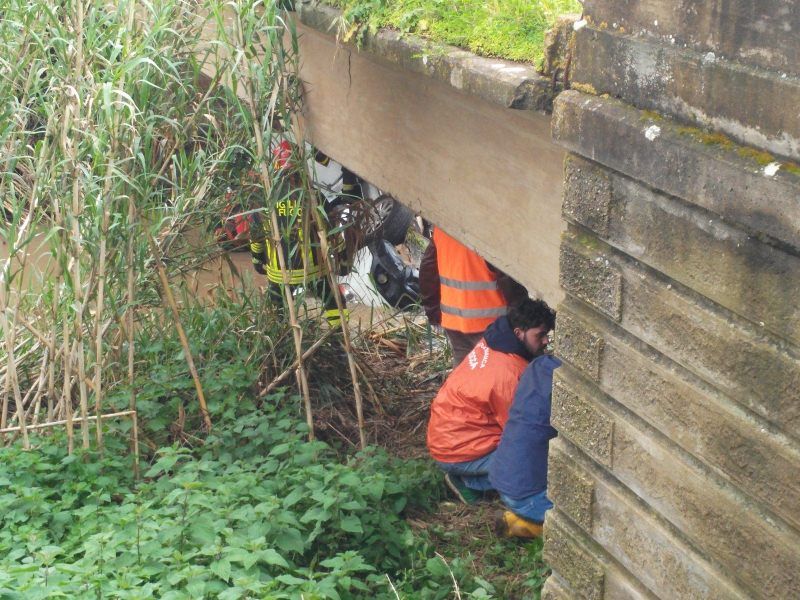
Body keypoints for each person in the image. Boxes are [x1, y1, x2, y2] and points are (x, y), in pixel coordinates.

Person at [426, 298, 556, 503]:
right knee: (536, 465)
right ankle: (470, 483)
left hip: (445, 439)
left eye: (547, 335)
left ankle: (469, 475)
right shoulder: (511, 374)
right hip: (459, 450)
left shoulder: (492, 342)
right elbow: (521, 433)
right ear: (519, 333)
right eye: (540, 335)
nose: (546, 341)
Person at [249, 141, 356, 326]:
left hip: (280, 272)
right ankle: (339, 339)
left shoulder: (264, 200)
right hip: (315, 270)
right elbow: (332, 232)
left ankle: (282, 341)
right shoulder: (313, 197)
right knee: (334, 302)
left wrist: (257, 260)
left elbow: (256, 235)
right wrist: (343, 260)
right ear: (300, 166)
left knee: (277, 308)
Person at [419, 226, 528, 367]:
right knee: (495, 374)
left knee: (464, 373)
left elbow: (428, 272)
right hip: (491, 324)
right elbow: (508, 278)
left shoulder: (442, 228)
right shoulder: (485, 228)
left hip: (453, 322)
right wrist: (523, 315)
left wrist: (433, 312)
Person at [490, 354, 561, 538]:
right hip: (527, 495)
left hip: (501, 481)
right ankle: (526, 525)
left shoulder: (538, 367)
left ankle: (519, 517)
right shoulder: (562, 383)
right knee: (577, 518)